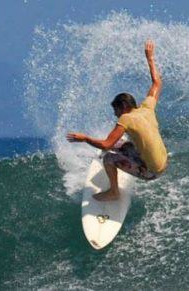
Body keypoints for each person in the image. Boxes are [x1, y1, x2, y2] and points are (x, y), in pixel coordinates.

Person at [66, 40, 168, 201]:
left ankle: (114, 192)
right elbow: (157, 82)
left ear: (123, 106)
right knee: (122, 143)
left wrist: (85, 138)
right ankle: (134, 161)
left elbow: (106, 144)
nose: (115, 115)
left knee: (108, 156)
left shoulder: (126, 119)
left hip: (152, 172)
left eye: (116, 110)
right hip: (163, 164)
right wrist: (150, 58)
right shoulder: (146, 108)